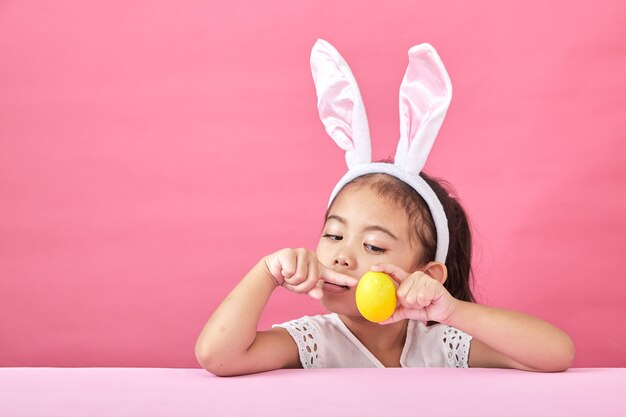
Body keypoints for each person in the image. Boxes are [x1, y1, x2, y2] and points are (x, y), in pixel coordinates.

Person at [195, 39, 575, 376]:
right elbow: (218, 357)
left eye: (373, 246)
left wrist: (453, 312)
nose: (341, 256)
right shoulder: (317, 340)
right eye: (333, 234)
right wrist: (266, 272)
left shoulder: (440, 342)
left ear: (426, 274)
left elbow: (556, 354)